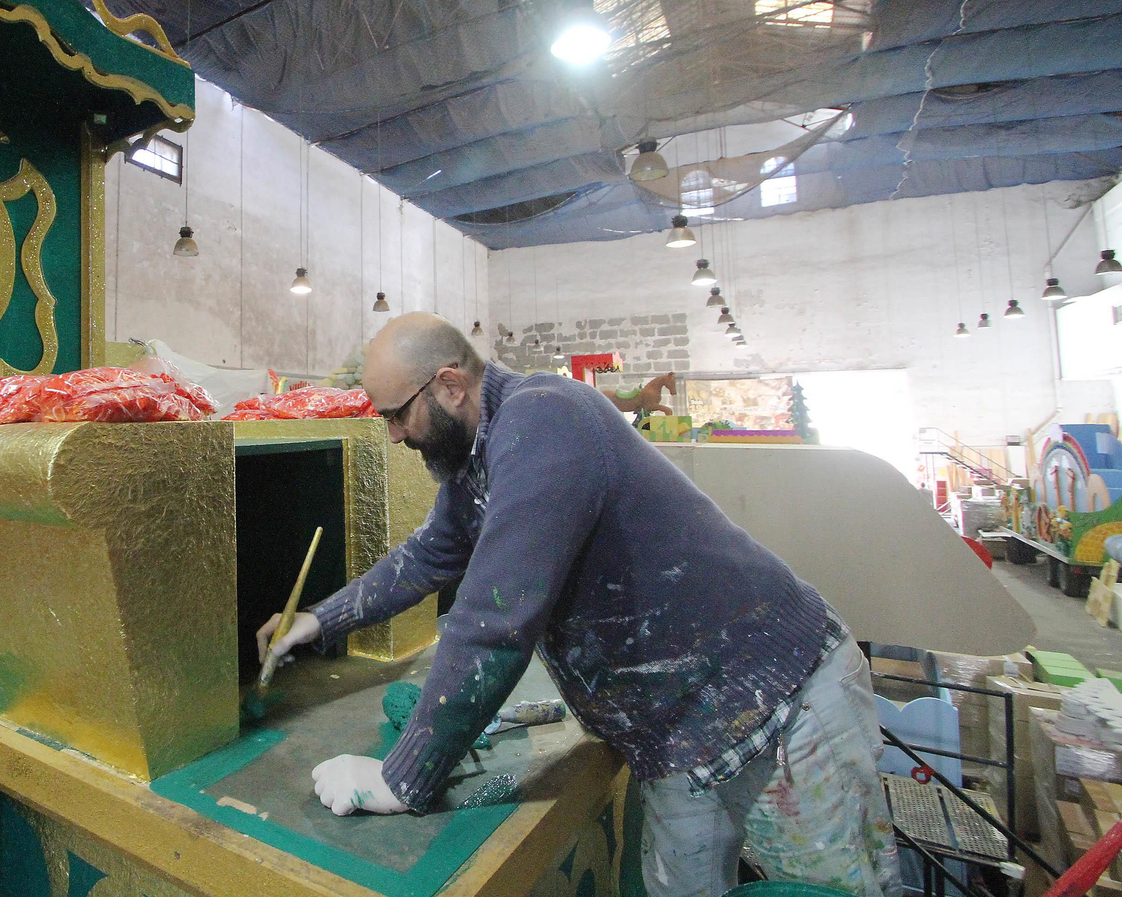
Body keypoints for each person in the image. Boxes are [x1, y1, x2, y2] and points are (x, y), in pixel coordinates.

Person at [257, 313, 899, 897]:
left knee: (831, 888)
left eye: (397, 414)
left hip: (778, 700)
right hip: (671, 733)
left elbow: (494, 620)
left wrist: (403, 779)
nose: (394, 436)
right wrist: (318, 620)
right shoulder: (474, 458)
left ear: (449, 385)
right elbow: (428, 557)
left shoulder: (545, 419)